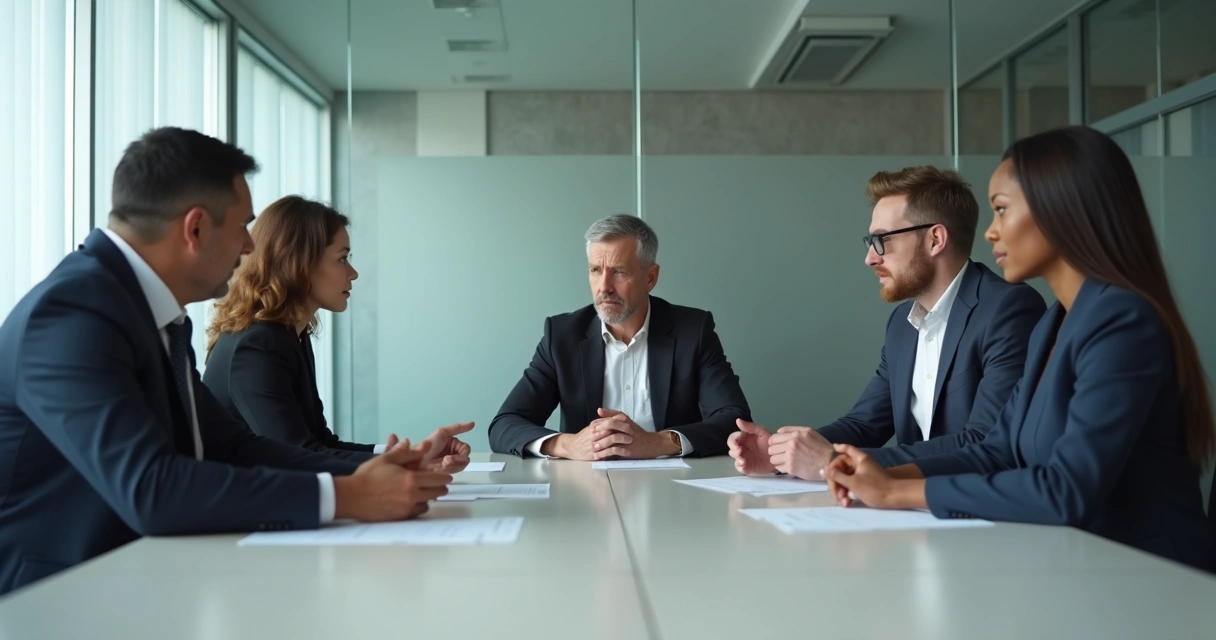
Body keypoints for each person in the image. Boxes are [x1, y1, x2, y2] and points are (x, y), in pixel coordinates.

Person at [0, 128, 451, 596]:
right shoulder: (73, 315)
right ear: (195, 229)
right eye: (242, 227)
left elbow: (233, 447)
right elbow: (152, 489)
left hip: (138, 584)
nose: (250, 248)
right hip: (55, 601)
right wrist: (349, 495)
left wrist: (379, 473)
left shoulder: (149, 315)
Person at [824, 126, 1216, 572]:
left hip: (1154, 577)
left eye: (1002, 211)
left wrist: (895, 493)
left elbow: (1065, 489)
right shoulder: (1055, 320)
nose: (989, 234)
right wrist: (882, 475)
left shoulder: (1123, 320)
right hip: (1076, 564)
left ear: (1062, 211)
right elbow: (997, 450)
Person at [729, 166, 1044, 478]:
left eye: (882, 240)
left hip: (982, 515)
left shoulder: (1008, 310)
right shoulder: (901, 325)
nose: (870, 258)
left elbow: (986, 441)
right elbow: (865, 424)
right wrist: (780, 452)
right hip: (911, 511)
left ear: (935, 239)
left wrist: (834, 461)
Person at [203, 195, 472, 471]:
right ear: (298, 263)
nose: (353, 273)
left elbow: (319, 442)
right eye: (342, 259)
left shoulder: (288, 336)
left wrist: (414, 454)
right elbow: (298, 455)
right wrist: (410, 461)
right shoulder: (257, 346)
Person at [488, 214, 751, 459]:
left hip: (673, 489)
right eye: (595, 270)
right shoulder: (562, 336)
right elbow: (505, 425)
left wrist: (656, 442)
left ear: (650, 278)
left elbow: (733, 419)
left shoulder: (693, 331)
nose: (604, 286)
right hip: (584, 490)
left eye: (619, 271)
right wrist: (570, 445)